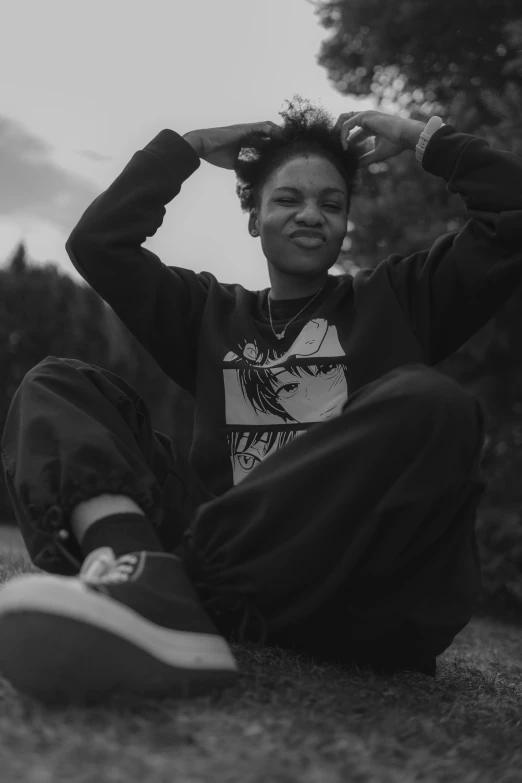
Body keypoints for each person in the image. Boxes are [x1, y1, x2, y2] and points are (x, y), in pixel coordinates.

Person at [0, 95, 519, 706]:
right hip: (221, 575)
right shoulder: (207, 316)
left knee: (434, 405)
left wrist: (422, 137)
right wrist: (187, 147)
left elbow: (512, 215)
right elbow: (99, 244)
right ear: (254, 218)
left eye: (331, 204)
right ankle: (139, 573)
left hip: (347, 586)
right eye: (288, 199)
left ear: (346, 221)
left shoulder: (401, 301)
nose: (310, 215)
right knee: (58, 383)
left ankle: (169, 587)